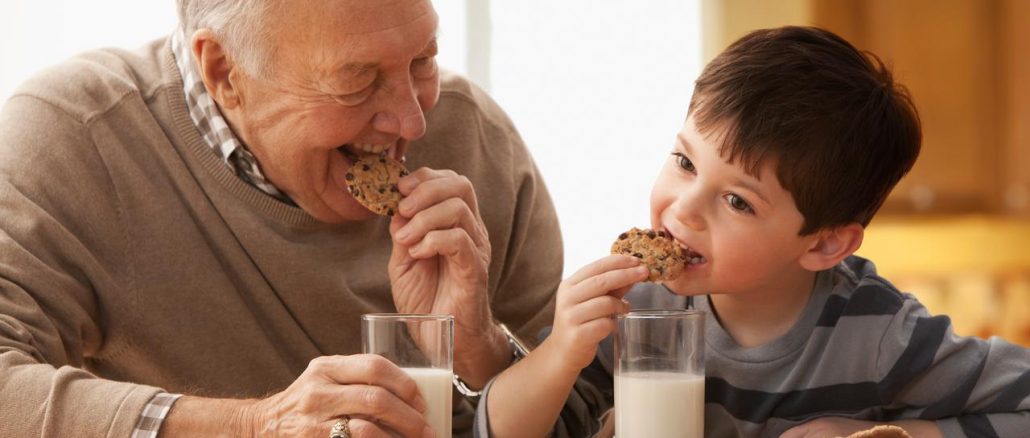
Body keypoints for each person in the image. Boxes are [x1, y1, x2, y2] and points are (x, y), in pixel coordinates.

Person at [0, 0, 562, 436]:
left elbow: (586, 415)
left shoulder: (477, 143)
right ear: (225, 72)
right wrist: (253, 426)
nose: (412, 122)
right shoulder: (77, 138)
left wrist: (481, 349)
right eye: (358, 81)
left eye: (423, 60)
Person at [477, 26, 1030, 438]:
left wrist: (890, 434)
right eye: (685, 162)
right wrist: (560, 353)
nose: (684, 209)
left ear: (824, 243)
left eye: (737, 201)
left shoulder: (879, 333)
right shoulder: (635, 309)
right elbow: (504, 432)